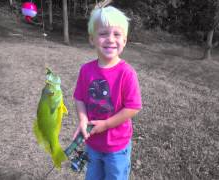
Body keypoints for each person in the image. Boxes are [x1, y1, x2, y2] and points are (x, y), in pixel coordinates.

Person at [72, 4, 142, 180]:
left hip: (117, 146)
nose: (110, 39)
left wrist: (107, 124)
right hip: (93, 143)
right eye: (103, 33)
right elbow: (79, 98)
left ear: (124, 41)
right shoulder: (86, 70)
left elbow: (133, 107)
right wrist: (82, 119)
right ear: (92, 39)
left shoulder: (127, 73)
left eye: (117, 34)